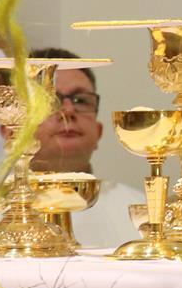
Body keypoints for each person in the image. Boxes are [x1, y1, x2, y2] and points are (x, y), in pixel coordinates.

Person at [25, 47, 145, 251]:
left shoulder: (142, 211)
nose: (68, 110)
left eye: (80, 100)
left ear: (98, 132)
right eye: (48, 100)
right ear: (9, 131)